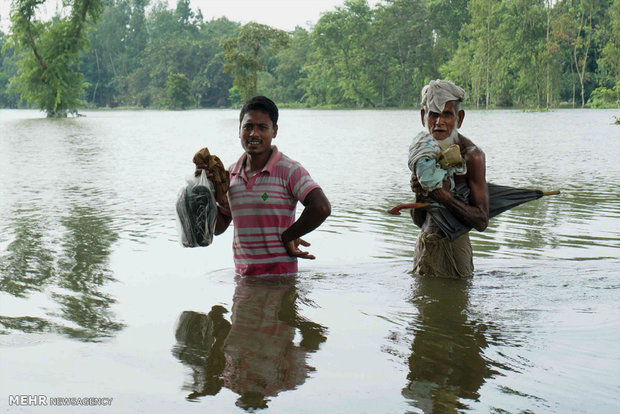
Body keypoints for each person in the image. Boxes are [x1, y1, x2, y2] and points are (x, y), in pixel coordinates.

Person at [197, 96, 331, 278]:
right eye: (248, 127)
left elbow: (321, 207)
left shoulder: (289, 170)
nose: (254, 134)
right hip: (244, 280)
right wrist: (205, 191)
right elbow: (218, 228)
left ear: (274, 131)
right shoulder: (230, 175)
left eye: (262, 127)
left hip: (281, 281)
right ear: (239, 130)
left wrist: (289, 235)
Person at [409, 80, 489, 278]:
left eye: (447, 115)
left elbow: (481, 221)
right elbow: (419, 221)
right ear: (423, 116)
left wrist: (447, 198)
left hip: (456, 250)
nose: (439, 123)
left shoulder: (472, 156)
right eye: (433, 115)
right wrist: (419, 193)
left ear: (459, 118)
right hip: (425, 244)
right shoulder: (424, 156)